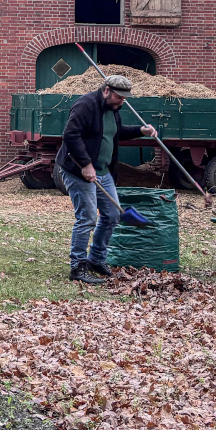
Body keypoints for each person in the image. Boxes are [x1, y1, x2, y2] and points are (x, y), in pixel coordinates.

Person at [53, 73, 158, 285]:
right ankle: (77, 267)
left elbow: (115, 133)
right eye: (119, 97)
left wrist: (141, 131)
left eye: (125, 98)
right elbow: (70, 135)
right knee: (87, 218)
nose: (122, 102)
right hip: (78, 170)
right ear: (107, 90)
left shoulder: (113, 109)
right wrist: (86, 164)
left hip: (103, 171)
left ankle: (96, 260)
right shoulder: (85, 105)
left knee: (112, 215)